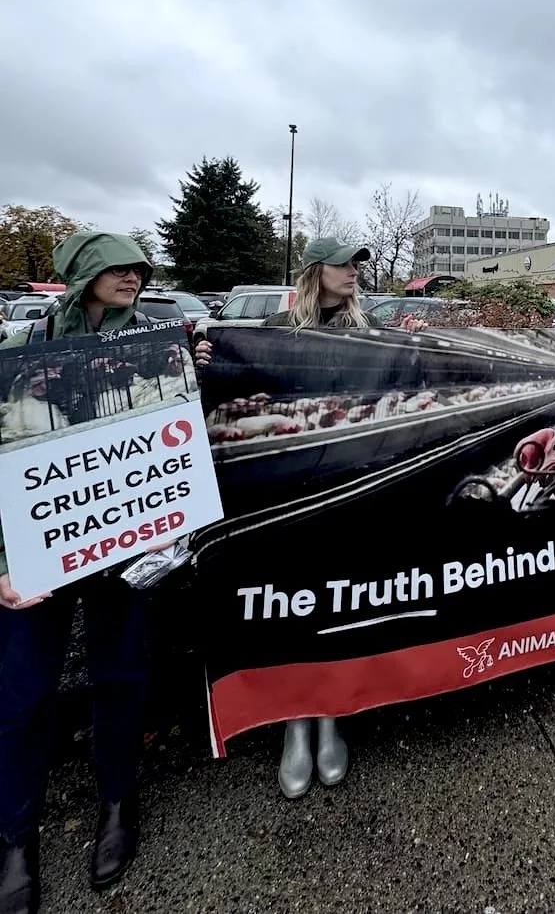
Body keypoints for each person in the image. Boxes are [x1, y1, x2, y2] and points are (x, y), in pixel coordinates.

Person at [194, 237, 421, 801]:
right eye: (344, 265)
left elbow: (398, 389)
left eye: (357, 267)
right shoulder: (269, 328)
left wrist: (411, 349)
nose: (353, 274)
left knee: (338, 595)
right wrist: (204, 363)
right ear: (316, 272)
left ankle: (331, 713)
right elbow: (229, 395)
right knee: (292, 597)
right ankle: (297, 718)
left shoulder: (367, 331)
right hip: (286, 488)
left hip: (349, 483)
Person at [0, 233, 157, 914]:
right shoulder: (20, 349)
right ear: (81, 273)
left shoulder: (160, 344)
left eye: (138, 268)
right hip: (36, 551)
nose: (132, 277)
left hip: (122, 548)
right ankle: (15, 835)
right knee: (22, 695)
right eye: (117, 266)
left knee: (121, 678)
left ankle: (118, 802)